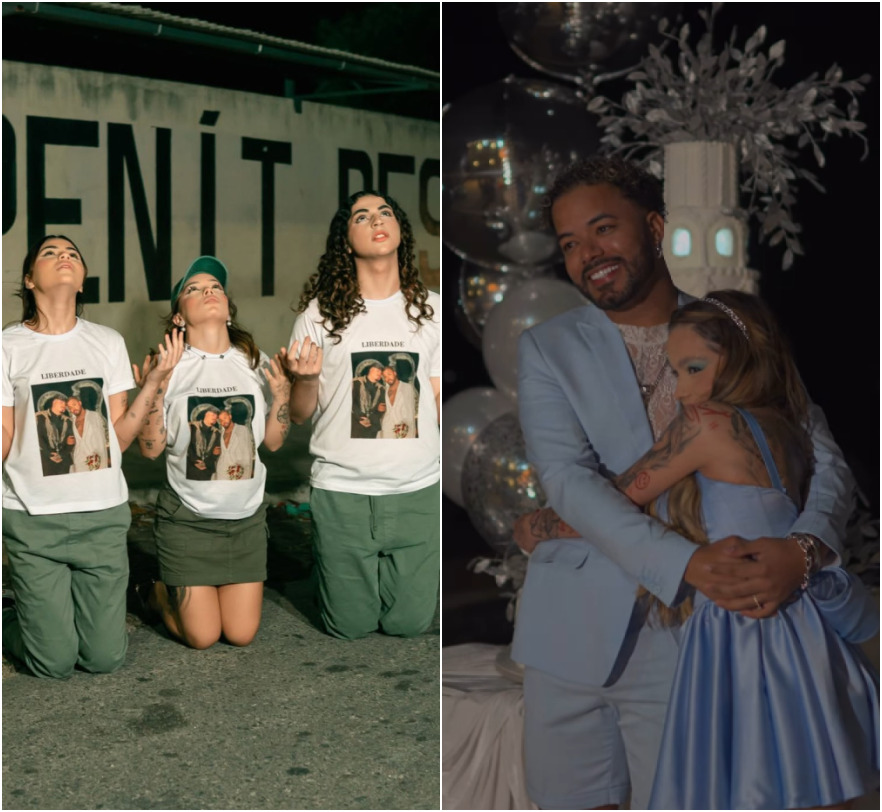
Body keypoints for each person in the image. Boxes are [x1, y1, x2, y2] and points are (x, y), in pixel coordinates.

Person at [511, 157, 855, 810]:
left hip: (695, 633)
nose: (588, 254)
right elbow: (565, 477)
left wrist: (804, 549)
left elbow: (823, 457)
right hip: (568, 635)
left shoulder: (734, 330)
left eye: (603, 229)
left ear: (654, 226)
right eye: (570, 244)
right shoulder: (547, 347)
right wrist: (683, 561)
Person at [2, 235, 179, 679]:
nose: (64, 256)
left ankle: (52, 614)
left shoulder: (106, 342)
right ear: (29, 279)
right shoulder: (8, 345)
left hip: (101, 518)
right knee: (53, 662)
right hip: (32, 519)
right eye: (50, 253)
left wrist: (152, 383)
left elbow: (117, 439)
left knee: (104, 658)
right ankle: (12, 621)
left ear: (82, 281)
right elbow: (5, 437)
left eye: (72, 254)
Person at [286, 190, 440, 640]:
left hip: (416, 492)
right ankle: (335, 568)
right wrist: (306, 379)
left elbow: (434, 401)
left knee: (408, 624)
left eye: (385, 212)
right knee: (348, 627)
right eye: (361, 216)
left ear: (400, 230)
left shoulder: (431, 311)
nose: (376, 219)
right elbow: (299, 414)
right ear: (346, 241)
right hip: (344, 492)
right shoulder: (319, 315)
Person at [135, 256, 290, 650]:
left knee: (240, 634)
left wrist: (282, 397)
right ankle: (155, 593)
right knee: (203, 637)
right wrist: (155, 388)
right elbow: (151, 449)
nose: (208, 292)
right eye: (194, 289)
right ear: (179, 317)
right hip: (188, 521)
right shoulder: (170, 367)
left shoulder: (255, 362)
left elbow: (273, 442)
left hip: (245, 522)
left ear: (227, 307)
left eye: (215, 287)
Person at [67, 393, 109, 472]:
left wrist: (100, 456)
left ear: (80, 403)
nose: (73, 409)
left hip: (95, 457)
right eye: (70, 408)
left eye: (74, 404)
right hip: (79, 459)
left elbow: (102, 438)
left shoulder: (94, 416)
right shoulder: (71, 421)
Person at [35, 394, 75, 475]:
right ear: (54, 402)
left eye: (65, 404)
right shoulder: (39, 417)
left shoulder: (69, 421)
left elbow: (71, 441)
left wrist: (61, 455)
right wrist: (49, 454)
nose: (64, 405)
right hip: (45, 460)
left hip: (63, 460)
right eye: (61, 402)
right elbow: (37, 438)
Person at [213, 404, 256, 480]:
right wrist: (216, 452)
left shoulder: (242, 429)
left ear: (230, 416)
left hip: (238, 470)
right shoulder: (221, 434)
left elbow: (248, 451)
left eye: (225, 418)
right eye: (221, 420)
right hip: (222, 471)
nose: (223, 422)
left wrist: (246, 469)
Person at [379, 363, 418, 439]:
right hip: (387, 427)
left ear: (395, 373)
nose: (388, 378)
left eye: (389, 374)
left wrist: (409, 428)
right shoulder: (385, 390)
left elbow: (410, 409)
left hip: (403, 427)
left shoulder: (407, 387)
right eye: (385, 377)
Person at [351, 362, 386, 438]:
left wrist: (370, 420)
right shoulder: (355, 383)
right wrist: (360, 419)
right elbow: (351, 403)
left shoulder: (382, 389)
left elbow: (381, 409)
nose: (380, 374)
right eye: (377, 371)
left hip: (372, 427)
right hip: (355, 424)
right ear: (370, 370)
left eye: (381, 373)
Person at [186, 404, 221, 480]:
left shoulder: (217, 433)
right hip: (190, 466)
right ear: (206, 414)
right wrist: (195, 461)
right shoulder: (192, 427)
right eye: (213, 414)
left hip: (207, 469)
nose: (215, 417)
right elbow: (186, 446)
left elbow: (215, 453)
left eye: (217, 416)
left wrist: (205, 463)